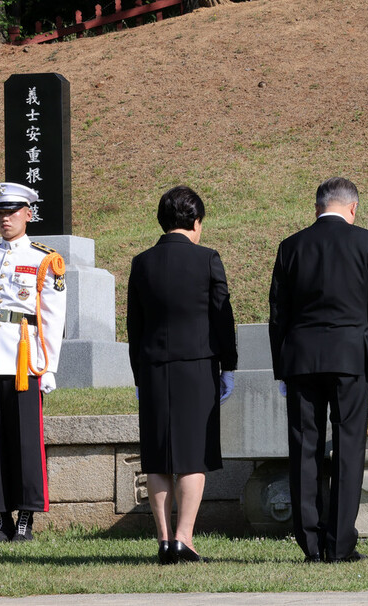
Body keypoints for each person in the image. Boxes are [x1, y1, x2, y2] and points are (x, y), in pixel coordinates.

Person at [269, 177, 368, 563]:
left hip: (302, 362)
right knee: (347, 450)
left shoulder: (291, 246)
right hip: (350, 361)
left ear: (317, 207)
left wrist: (281, 369)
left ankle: (310, 543)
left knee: (304, 449)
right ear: (353, 208)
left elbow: (278, 314)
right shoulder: (367, 241)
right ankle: (340, 544)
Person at [126, 185, 237, 565]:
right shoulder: (208, 259)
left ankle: (162, 541)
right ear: (195, 221)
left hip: (154, 368)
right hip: (197, 367)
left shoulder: (141, 263)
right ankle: (184, 539)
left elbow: (134, 326)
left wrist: (139, 374)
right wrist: (230, 364)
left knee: (157, 457)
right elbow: (223, 318)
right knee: (192, 456)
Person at [0, 182, 67, 543]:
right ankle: (1, 519)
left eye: (12, 212)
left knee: (25, 440)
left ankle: (25, 519)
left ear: (28, 215)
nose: (5, 219)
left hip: (24, 359)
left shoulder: (43, 259)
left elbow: (52, 316)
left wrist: (48, 366)